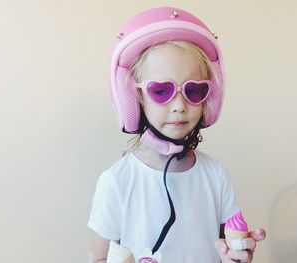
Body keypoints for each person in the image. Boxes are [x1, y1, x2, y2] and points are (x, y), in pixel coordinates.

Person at [88, 6, 266, 263]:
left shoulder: (214, 175)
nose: (180, 106)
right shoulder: (116, 182)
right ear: (135, 97)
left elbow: (224, 246)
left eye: (193, 91)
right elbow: (97, 258)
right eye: (161, 91)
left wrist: (236, 256)